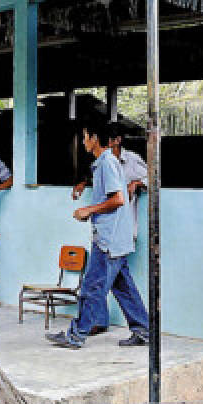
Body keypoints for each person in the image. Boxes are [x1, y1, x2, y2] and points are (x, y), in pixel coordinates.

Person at [47, 124, 150, 349]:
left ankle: (76, 336)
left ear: (94, 138)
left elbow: (118, 199)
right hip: (116, 239)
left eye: (85, 137)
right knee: (124, 288)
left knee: (92, 288)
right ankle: (143, 331)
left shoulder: (107, 163)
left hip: (109, 240)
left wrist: (89, 210)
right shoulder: (105, 163)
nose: (83, 142)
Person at [74, 123, 147, 232]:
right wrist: (85, 183)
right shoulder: (101, 162)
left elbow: (152, 180)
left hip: (121, 226)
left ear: (117, 140)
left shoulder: (129, 159)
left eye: (108, 139)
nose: (105, 143)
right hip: (106, 227)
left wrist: (136, 183)